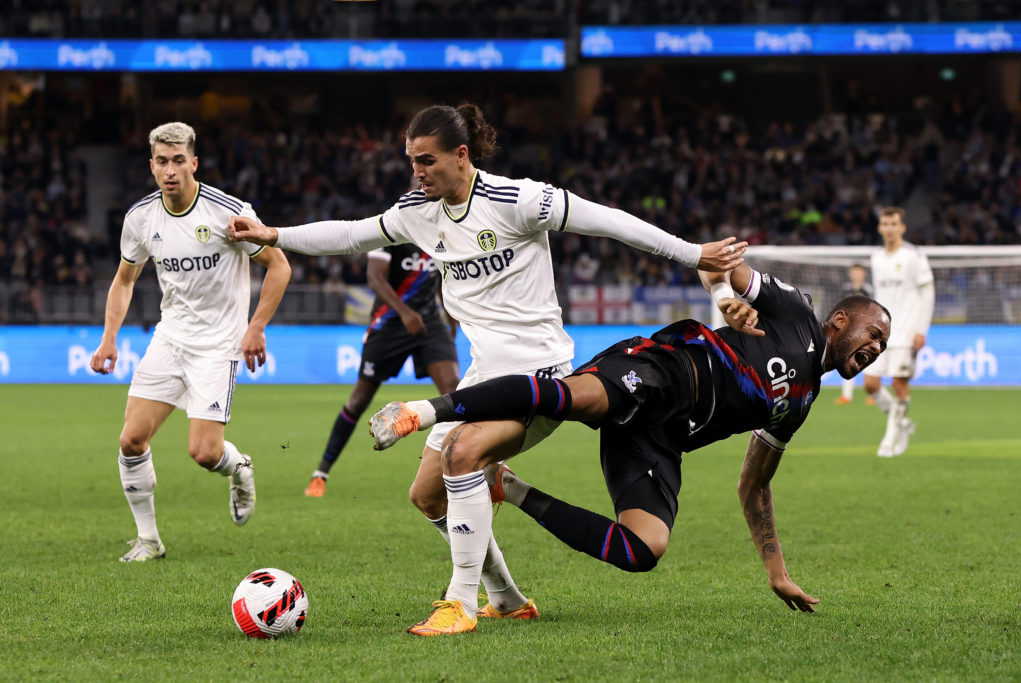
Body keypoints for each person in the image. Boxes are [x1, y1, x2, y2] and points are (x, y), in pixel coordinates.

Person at [226, 103, 748, 635]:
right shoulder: (417, 211)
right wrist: (274, 234)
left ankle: (461, 604)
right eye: (411, 161)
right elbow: (352, 235)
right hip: (483, 377)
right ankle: (506, 597)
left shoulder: (517, 199)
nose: (417, 172)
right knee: (425, 495)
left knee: (464, 452)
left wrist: (690, 253)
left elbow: (607, 221)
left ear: (461, 154)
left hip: (541, 374)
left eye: (426, 161)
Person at [372, 263, 890, 615]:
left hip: (661, 440)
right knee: (570, 398)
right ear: (840, 320)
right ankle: (420, 412)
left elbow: (754, 487)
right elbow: (713, 260)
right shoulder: (796, 309)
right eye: (873, 335)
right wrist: (727, 297)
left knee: (644, 548)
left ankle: (508, 487)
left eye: (882, 347)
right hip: (668, 369)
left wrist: (776, 572)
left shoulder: (799, 404)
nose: (875, 348)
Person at [90, 122, 291, 562]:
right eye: (162, 161)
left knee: (203, 453)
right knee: (131, 440)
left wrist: (256, 326)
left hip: (219, 346)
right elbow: (124, 281)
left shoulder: (228, 212)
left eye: (179, 160)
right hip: (170, 338)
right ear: (151, 165)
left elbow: (279, 266)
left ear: (194, 163)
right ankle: (148, 540)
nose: (170, 170)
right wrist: (109, 339)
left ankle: (238, 466)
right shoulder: (141, 218)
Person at [304, 243, 460, 497]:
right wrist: (406, 313)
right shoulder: (391, 229)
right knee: (358, 401)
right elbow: (374, 278)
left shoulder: (437, 231)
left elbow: (444, 277)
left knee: (454, 391)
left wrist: (451, 319)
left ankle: (461, 472)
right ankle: (321, 473)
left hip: (429, 323)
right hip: (389, 323)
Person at [861, 207, 934, 457]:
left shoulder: (914, 256)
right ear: (880, 228)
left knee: (899, 385)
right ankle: (902, 422)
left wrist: (921, 329)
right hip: (882, 333)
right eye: (885, 223)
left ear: (902, 227)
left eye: (894, 223)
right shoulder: (876, 258)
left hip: (906, 332)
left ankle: (890, 439)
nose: (889, 228)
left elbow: (928, 292)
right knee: (870, 384)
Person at [835, 263, 873, 405]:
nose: (856, 275)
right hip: (849, 332)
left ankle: (873, 393)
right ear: (851, 274)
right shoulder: (846, 290)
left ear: (864, 274)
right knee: (847, 361)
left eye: (859, 272)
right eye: (854, 272)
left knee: (869, 361)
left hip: (866, 331)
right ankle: (846, 396)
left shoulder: (869, 291)